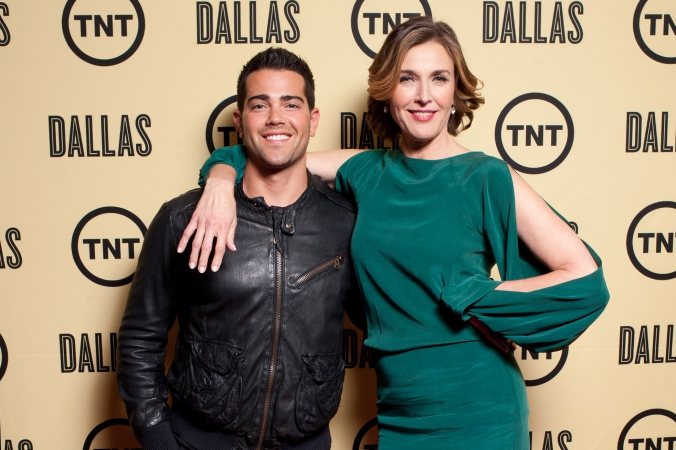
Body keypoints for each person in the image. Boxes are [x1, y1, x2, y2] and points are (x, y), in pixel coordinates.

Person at [181, 17, 610, 449]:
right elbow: (272, 150)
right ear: (387, 93)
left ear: (456, 94)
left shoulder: (485, 176)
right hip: (400, 407)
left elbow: (586, 280)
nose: (424, 95)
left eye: (439, 78)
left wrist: (481, 301)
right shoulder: (365, 170)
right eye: (408, 78)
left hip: (479, 407)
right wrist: (219, 178)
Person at [117, 47, 364, 450]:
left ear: (313, 120)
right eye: (259, 105)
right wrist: (159, 440)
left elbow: (385, 319)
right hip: (197, 442)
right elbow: (140, 339)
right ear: (239, 120)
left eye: (291, 104)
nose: (275, 118)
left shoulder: (346, 222)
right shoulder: (184, 218)